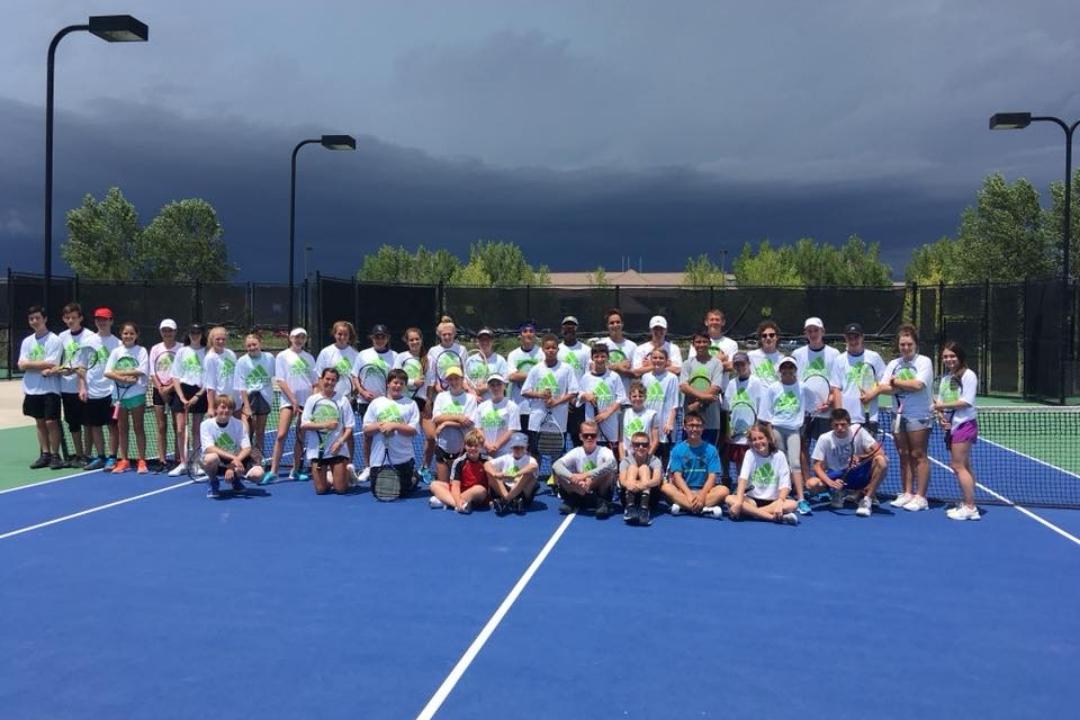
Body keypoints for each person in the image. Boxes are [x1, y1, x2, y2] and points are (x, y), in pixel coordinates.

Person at [879, 324, 934, 512]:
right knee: (903, 454)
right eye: (902, 344)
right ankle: (907, 492)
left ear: (916, 344)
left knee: (918, 455)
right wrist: (900, 385)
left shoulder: (924, 362)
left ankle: (921, 497)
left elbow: (918, 385)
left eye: (909, 344)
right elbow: (883, 387)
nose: (905, 348)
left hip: (919, 415)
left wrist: (896, 382)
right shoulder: (894, 364)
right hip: (898, 415)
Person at [808, 408, 888, 517]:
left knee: (882, 461)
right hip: (837, 476)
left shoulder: (858, 431)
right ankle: (838, 492)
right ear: (831, 425)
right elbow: (816, 466)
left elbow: (880, 452)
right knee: (811, 484)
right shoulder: (824, 438)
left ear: (849, 423)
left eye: (843, 424)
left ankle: (867, 499)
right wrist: (830, 482)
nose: (840, 428)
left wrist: (860, 458)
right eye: (836, 425)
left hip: (858, 473)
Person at [934, 342, 981, 521]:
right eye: (946, 356)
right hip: (952, 426)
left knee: (957, 465)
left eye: (952, 356)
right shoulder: (946, 379)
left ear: (960, 357)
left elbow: (966, 401)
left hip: (965, 424)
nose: (949, 359)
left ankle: (970, 507)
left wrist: (941, 406)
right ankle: (967, 502)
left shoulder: (969, 375)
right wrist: (941, 416)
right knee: (965, 465)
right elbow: (941, 401)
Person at [759, 357, 811, 514]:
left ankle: (801, 499)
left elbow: (813, 404)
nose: (787, 372)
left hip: (794, 430)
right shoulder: (773, 388)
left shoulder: (802, 387)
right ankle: (781, 496)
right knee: (781, 464)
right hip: (777, 430)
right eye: (784, 369)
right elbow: (766, 414)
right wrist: (770, 433)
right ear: (780, 371)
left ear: (795, 370)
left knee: (795, 463)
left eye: (791, 369)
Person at [265, 328, 317, 483]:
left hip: (305, 403)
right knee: (281, 435)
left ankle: (296, 470)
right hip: (288, 402)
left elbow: (314, 382)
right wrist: (293, 400)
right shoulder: (282, 356)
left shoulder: (309, 357)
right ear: (291, 338)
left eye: (302, 337)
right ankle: (273, 471)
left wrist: (312, 401)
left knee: (300, 438)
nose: (299, 340)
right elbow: (281, 380)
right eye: (296, 337)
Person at [792, 316, 840, 482]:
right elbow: (793, 382)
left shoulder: (834, 354)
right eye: (809, 331)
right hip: (804, 412)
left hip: (827, 412)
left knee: (827, 448)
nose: (813, 334)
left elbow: (837, 384)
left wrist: (830, 401)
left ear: (822, 332)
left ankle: (824, 482)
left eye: (816, 330)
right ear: (806, 333)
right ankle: (807, 482)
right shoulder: (797, 354)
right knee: (802, 446)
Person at [363, 368, 421, 500]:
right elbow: (366, 430)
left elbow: (413, 430)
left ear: (405, 386)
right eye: (395, 382)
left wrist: (394, 425)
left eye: (401, 383)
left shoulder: (411, 404)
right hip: (379, 460)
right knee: (377, 492)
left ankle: (414, 476)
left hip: (403, 458)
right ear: (388, 384)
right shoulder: (376, 403)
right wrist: (380, 425)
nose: (398, 386)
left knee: (402, 493)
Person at [725, 424, 800, 525]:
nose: (758, 442)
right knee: (729, 498)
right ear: (751, 442)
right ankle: (771, 517)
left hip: (773, 502)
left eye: (761, 438)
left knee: (792, 504)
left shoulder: (780, 456)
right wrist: (738, 502)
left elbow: (785, 484)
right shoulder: (750, 454)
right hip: (751, 500)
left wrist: (780, 502)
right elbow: (743, 479)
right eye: (754, 439)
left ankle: (752, 513)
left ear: (768, 439)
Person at [521, 333, 578, 463]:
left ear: (558, 349)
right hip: (537, 420)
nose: (551, 350)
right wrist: (540, 395)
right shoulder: (536, 369)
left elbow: (573, 392)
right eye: (548, 348)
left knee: (557, 453)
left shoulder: (567, 369)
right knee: (535, 453)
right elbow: (524, 391)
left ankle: (556, 481)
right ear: (543, 349)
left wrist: (556, 402)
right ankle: (533, 480)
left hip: (559, 420)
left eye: (553, 347)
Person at [313, 320, 360, 476]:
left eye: (345, 334)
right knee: (328, 431)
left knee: (348, 431)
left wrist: (353, 395)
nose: (342, 337)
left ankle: (349, 464)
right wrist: (323, 396)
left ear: (349, 336)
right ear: (334, 334)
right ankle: (327, 463)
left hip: (347, 400)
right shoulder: (326, 352)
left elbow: (355, 378)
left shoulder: (355, 354)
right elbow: (320, 376)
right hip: (328, 400)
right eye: (339, 334)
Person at [20, 306, 64, 469]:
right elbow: (21, 364)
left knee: (51, 422)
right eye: (31, 319)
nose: (34, 321)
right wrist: (39, 365)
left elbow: (52, 363)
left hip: (50, 389)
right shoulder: (27, 341)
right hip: (31, 389)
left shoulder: (54, 340)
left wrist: (29, 364)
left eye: (37, 318)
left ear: (44, 319)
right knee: (39, 422)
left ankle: (55, 455)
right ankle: (45, 454)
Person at [662, 411, 729, 517]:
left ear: (703, 428)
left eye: (698, 426)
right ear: (684, 427)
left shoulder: (712, 450)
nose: (694, 429)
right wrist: (688, 494)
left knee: (723, 490)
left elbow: (712, 477)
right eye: (691, 425)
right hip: (684, 492)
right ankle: (703, 509)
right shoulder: (677, 450)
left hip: (705, 492)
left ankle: (684, 507)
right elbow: (677, 477)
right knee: (666, 488)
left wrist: (702, 495)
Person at [56, 303, 99, 466]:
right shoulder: (61, 337)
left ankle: (87, 455)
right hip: (66, 388)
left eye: (74, 317)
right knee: (72, 423)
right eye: (67, 318)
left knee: (87, 422)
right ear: (63, 319)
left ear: (80, 318)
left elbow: (90, 362)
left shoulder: (90, 337)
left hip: (85, 388)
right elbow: (60, 361)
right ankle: (78, 454)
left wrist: (74, 370)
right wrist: (61, 370)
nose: (71, 320)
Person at [104, 322, 150, 474]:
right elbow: (108, 372)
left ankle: (141, 460)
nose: (128, 336)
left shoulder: (141, 351)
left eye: (131, 333)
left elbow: (142, 370)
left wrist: (119, 373)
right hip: (119, 396)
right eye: (125, 333)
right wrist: (124, 378)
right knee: (122, 428)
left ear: (136, 335)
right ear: (121, 335)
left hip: (136, 395)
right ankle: (124, 460)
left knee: (138, 427)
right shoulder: (116, 352)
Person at [300, 368, 354, 495]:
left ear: (337, 382)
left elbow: (349, 427)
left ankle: (346, 473)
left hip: (338, 451)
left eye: (333, 380)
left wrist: (340, 442)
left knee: (340, 489)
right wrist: (326, 425)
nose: (330, 382)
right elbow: (304, 424)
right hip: (318, 451)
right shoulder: (312, 400)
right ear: (322, 380)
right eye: (327, 379)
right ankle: (331, 476)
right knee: (321, 490)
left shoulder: (343, 400)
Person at [354, 324, 397, 479]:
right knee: (368, 435)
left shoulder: (395, 356)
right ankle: (368, 467)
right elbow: (355, 376)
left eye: (383, 337)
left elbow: (396, 380)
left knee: (388, 434)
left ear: (387, 338)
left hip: (386, 403)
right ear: (372, 338)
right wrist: (363, 392)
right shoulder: (363, 355)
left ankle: (386, 465)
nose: (380, 340)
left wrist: (387, 398)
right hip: (365, 402)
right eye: (377, 337)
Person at [201, 394, 264, 498]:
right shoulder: (206, 425)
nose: (226, 411)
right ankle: (213, 482)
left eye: (229, 408)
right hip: (220, 461)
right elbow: (209, 448)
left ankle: (236, 479)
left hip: (237, 459)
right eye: (223, 407)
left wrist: (233, 465)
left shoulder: (239, 424)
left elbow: (247, 448)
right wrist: (234, 459)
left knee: (258, 474)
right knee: (210, 458)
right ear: (216, 408)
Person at [551, 421, 618, 518]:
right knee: (559, 473)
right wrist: (572, 477)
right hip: (580, 487)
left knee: (609, 471)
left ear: (598, 436)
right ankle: (579, 500)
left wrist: (586, 475)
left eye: (593, 435)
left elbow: (613, 464)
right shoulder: (576, 452)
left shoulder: (604, 451)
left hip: (598, 489)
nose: (589, 438)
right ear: (580, 437)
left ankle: (601, 501)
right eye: (586, 435)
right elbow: (556, 465)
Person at [721, 352, 768, 485]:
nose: (740, 367)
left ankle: (755, 487)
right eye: (737, 365)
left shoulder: (757, 383)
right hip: (735, 434)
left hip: (751, 434)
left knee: (754, 461)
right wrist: (727, 431)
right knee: (739, 463)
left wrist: (755, 431)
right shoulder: (731, 384)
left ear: (748, 364)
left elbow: (761, 409)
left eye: (743, 364)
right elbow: (726, 411)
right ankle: (743, 488)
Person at [831, 323, 886, 435]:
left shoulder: (874, 358)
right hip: (848, 419)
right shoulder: (839, 360)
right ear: (845, 338)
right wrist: (840, 416)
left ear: (862, 337)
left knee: (869, 452)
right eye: (849, 337)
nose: (853, 340)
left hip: (870, 418)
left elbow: (884, 384)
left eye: (856, 337)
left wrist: (872, 394)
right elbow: (836, 390)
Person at [395, 327, 432, 482]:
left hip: (422, 402)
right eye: (411, 340)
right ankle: (400, 467)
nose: (414, 342)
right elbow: (394, 378)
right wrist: (412, 382)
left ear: (421, 340)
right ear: (407, 341)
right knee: (402, 437)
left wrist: (429, 400)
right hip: (404, 403)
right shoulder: (401, 357)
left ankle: (424, 468)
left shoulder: (427, 359)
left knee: (431, 437)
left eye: (417, 339)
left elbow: (430, 383)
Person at [431, 366, 478, 487]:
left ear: (462, 379)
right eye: (450, 379)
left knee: (460, 487)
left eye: (456, 378)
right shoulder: (441, 397)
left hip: (463, 448)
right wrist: (457, 418)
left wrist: (446, 423)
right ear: (447, 381)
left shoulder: (470, 398)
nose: (454, 382)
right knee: (443, 486)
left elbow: (468, 422)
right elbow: (436, 418)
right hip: (443, 446)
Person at [171, 324, 208, 477]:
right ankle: (183, 462)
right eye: (192, 332)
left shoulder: (207, 352)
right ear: (189, 334)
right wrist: (181, 397)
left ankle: (197, 463)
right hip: (183, 392)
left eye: (198, 333)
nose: (195, 335)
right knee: (180, 430)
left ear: (202, 334)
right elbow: (176, 376)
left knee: (196, 430)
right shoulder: (182, 351)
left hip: (199, 392)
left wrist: (197, 396)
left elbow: (208, 379)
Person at [235, 333, 275, 465]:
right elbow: (241, 385)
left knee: (260, 432)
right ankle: (245, 460)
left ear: (260, 344)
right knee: (246, 433)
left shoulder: (269, 358)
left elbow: (279, 376)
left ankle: (258, 461)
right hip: (249, 399)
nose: (252, 347)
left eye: (254, 344)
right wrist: (246, 406)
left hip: (264, 398)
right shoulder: (242, 361)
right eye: (249, 345)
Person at [149, 319, 183, 473]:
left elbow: (183, 372)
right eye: (164, 330)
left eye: (170, 330)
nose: (167, 333)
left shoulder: (182, 349)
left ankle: (178, 458)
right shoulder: (155, 349)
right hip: (158, 390)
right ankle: (162, 460)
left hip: (177, 390)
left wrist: (169, 388)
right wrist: (161, 389)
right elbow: (152, 372)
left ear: (175, 332)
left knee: (178, 426)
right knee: (161, 426)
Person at [575, 344, 626, 448]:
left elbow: (621, 398)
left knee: (611, 457)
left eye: (603, 356)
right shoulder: (586, 377)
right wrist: (585, 396)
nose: (600, 359)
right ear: (592, 358)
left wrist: (606, 414)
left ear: (608, 357)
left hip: (610, 425)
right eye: (596, 357)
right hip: (592, 425)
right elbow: (579, 398)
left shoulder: (614, 376)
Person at [679, 330, 724, 446]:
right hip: (690, 419)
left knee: (708, 454)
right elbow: (684, 386)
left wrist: (697, 404)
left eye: (704, 342)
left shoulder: (717, 363)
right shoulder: (687, 363)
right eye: (698, 342)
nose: (701, 345)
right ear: (693, 344)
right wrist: (704, 397)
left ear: (709, 343)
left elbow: (716, 387)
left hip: (711, 420)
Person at [431, 429, 489, 513]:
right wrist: (457, 503)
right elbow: (455, 486)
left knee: (480, 489)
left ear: (480, 446)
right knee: (434, 484)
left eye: (476, 446)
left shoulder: (487, 461)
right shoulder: (459, 462)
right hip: (461, 491)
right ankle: (458, 505)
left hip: (477, 494)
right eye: (469, 445)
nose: (472, 448)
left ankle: (445, 501)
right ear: (465, 446)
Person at [92, 308, 122, 469]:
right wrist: (83, 386)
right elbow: (82, 366)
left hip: (112, 392)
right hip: (92, 391)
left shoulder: (118, 343)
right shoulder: (88, 341)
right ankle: (100, 456)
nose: (101, 322)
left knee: (112, 426)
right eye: (98, 319)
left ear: (111, 321)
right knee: (95, 425)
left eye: (105, 319)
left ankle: (112, 457)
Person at [641, 347, 679, 466]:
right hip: (649, 424)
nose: (658, 360)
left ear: (667, 361)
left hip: (664, 425)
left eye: (661, 358)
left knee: (665, 457)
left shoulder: (672, 378)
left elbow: (674, 403)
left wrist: (670, 422)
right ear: (651, 359)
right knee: (650, 455)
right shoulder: (645, 377)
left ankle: (666, 481)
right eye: (655, 358)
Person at [485, 432, 539, 515]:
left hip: (522, 491)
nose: (518, 450)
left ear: (526, 447)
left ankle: (505, 501)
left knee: (528, 474)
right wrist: (495, 474)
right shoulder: (506, 458)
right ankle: (511, 501)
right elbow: (487, 464)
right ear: (512, 447)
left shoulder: (530, 459)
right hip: (506, 489)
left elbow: (534, 466)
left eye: (521, 447)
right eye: (516, 447)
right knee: (491, 474)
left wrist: (516, 474)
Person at [558, 316, 591, 446]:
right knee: (560, 438)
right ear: (562, 329)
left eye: (572, 326)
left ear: (576, 328)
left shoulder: (586, 350)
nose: (569, 328)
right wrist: (565, 397)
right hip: (560, 401)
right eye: (566, 326)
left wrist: (577, 396)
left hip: (579, 402)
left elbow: (588, 376)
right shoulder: (557, 350)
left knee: (578, 438)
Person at [618, 431, 663, 525]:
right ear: (632, 446)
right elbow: (622, 481)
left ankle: (644, 510)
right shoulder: (626, 461)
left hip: (650, 497)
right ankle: (630, 508)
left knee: (644, 468)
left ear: (649, 446)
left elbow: (657, 480)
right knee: (633, 468)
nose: (641, 447)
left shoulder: (655, 460)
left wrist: (643, 484)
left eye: (644, 445)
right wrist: (633, 485)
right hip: (629, 494)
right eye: (637, 444)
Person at [505, 321, 541, 436]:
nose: (528, 334)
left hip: (537, 408)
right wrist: (535, 374)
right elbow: (512, 376)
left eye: (531, 331)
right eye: (525, 331)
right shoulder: (513, 355)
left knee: (534, 446)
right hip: (518, 407)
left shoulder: (541, 353)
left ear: (535, 334)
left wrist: (521, 375)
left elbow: (544, 375)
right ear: (520, 335)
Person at [472, 374, 520, 458]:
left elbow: (511, 430)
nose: (496, 388)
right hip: (485, 452)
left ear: (504, 386)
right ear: (488, 387)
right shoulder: (481, 407)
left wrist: (496, 446)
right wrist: (487, 446)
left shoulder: (512, 406)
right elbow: (478, 428)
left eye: (499, 384)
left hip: (505, 453)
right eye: (492, 385)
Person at [596, 308, 637, 397]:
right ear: (607, 325)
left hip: (626, 398)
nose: (615, 325)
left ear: (622, 324)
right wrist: (619, 367)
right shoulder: (600, 344)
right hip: (605, 396)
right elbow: (594, 368)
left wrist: (609, 367)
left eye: (618, 322)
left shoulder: (632, 346)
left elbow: (636, 374)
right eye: (612, 323)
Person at [620, 380, 659, 462]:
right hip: (628, 457)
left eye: (640, 396)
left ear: (645, 397)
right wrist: (623, 460)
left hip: (645, 456)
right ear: (629, 397)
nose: (637, 398)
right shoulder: (623, 414)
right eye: (634, 396)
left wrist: (647, 458)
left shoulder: (652, 414)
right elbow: (621, 441)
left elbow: (655, 440)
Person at [203, 326, 238, 416]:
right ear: (211, 340)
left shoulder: (231, 354)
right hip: (220, 402)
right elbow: (210, 385)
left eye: (223, 339)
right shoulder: (210, 358)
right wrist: (211, 407)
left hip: (235, 400)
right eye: (217, 339)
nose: (221, 341)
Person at [468, 328, 509, 401]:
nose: (484, 342)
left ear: (492, 342)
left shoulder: (500, 360)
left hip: (493, 404)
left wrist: (484, 388)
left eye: (487, 340)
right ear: (477, 342)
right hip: (473, 403)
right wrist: (473, 394)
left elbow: (504, 382)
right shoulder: (470, 360)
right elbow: (464, 381)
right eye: (482, 340)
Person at [748, 320, 783, 388]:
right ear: (760, 339)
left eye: (771, 335)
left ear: (777, 337)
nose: (768, 338)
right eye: (764, 336)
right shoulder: (750, 356)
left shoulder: (782, 359)